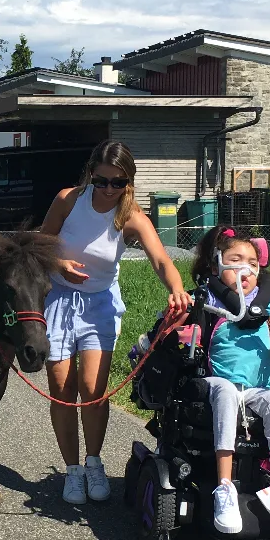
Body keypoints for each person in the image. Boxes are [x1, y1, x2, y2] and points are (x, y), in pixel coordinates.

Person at [40, 140, 191, 505]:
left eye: (118, 183)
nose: (108, 189)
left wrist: (177, 289)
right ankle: (72, 471)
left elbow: (161, 260)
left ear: (129, 182)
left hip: (99, 306)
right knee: (62, 391)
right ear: (91, 173)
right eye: (102, 180)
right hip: (59, 300)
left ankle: (94, 462)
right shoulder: (68, 200)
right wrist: (58, 265)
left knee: (93, 390)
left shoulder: (131, 216)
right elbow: (40, 243)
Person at [191, 225, 270, 536]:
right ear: (216, 265)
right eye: (235, 260)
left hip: (257, 387)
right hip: (218, 381)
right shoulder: (209, 299)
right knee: (225, 392)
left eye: (252, 262)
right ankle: (225, 487)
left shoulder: (266, 303)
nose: (245, 268)